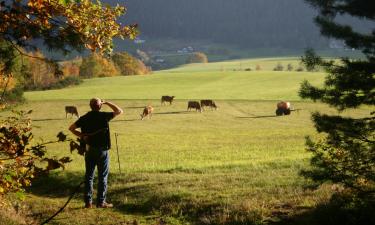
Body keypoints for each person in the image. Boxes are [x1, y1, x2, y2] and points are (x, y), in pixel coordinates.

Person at [69, 98, 123, 208]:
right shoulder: (104, 116)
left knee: (89, 176)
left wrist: (82, 135)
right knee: (102, 176)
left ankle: (88, 202)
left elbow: (71, 128)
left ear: (90, 106)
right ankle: (100, 202)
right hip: (102, 150)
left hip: (89, 149)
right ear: (100, 106)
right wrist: (107, 102)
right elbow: (119, 111)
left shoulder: (84, 117)